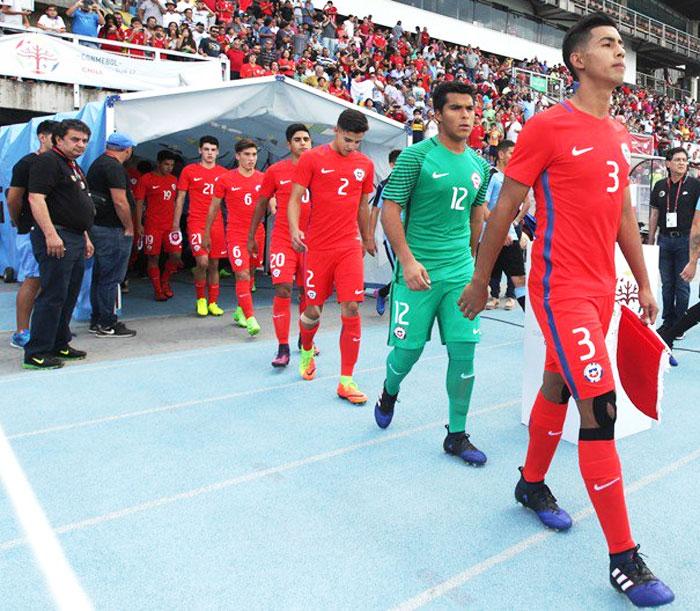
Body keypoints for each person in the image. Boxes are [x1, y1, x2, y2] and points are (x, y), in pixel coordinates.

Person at [457, 14, 674, 607]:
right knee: (597, 405)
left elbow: (624, 216)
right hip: (562, 293)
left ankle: (529, 485)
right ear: (577, 59)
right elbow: (504, 209)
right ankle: (624, 559)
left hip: (602, 290)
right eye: (608, 43)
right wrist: (481, 280)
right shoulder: (547, 126)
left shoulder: (619, 131)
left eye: (621, 44)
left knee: (558, 384)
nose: (620, 51)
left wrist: (642, 281)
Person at [372, 81, 489, 465]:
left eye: (470, 109)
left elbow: (476, 214)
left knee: (465, 354)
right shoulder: (416, 157)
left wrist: (474, 269)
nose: (466, 116)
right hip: (417, 273)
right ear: (437, 115)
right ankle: (389, 391)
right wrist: (406, 261)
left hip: (459, 273)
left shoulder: (480, 166)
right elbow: (391, 210)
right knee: (407, 353)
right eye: (456, 109)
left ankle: (456, 435)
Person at [288, 108, 376, 404]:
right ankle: (306, 348)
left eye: (358, 142)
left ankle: (346, 380)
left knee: (351, 307)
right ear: (336, 130)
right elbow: (294, 198)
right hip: (317, 248)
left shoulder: (364, 164)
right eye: (348, 140)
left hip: (348, 245)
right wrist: (293, 230)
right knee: (313, 311)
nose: (352, 146)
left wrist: (367, 237)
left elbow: (363, 205)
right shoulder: (312, 158)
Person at [24, 119, 95, 370]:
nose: (81, 145)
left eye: (85, 140)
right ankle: (36, 352)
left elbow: (77, 204)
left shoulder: (72, 165)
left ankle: (59, 343)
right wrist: (51, 234)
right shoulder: (47, 162)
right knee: (53, 295)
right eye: (75, 139)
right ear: (58, 139)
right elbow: (36, 199)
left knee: (68, 294)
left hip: (74, 236)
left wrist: (85, 236)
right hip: (57, 237)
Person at [247, 124, 313, 367]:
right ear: (289, 144)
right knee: (283, 288)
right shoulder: (276, 171)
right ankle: (282, 345)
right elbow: (261, 204)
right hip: (284, 240)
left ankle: (305, 339)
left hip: (312, 243)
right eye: (297, 139)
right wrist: (252, 234)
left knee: (309, 292)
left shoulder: (322, 170)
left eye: (306, 139)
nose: (303, 143)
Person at [6, 120, 59, 349]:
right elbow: (13, 199)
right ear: (42, 137)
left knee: (50, 281)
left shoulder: (60, 164)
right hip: (31, 231)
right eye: (54, 137)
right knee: (33, 279)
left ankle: (46, 330)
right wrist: (21, 222)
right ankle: (21, 331)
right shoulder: (26, 164)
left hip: (54, 231)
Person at [206, 139, 264, 336]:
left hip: (258, 233)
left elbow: (272, 204)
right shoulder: (225, 179)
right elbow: (214, 207)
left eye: (254, 155)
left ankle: (241, 310)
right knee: (241, 274)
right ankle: (250, 318)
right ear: (238, 156)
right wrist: (207, 234)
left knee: (251, 273)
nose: (251, 159)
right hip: (236, 234)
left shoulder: (263, 178)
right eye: (247, 155)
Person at [86, 133, 137, 338]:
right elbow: (120, 201)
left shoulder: (99, 163)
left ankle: (98, 319)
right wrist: (129, 226)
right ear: (127, 149)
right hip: (111, 229)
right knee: (111, 276)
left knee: (100, 275)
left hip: (99, 227)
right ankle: (107, 322)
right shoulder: (113, 167)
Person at [647, 147, 700, 337]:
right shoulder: (660, 186)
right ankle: (668, 322)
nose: (682, 163)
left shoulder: (695, 186)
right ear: (668, 163)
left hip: (685, 240)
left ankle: (678, 325)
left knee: (682, 284)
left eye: (684, 160)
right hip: (664, 240)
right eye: (677, 159)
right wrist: (651, 238)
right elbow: (654, 214)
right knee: (667, 284)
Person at [173, 136, 228, 317]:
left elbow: (231, 199)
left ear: (218, 152)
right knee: (202, 262)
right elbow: (180, 198)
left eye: (213, 150)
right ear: (199, 151)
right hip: (196, 221)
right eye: (206, 149)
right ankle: (201, 300)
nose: (210, 153)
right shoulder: (189, 170)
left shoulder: (224, 172)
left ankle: (213, 301)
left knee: (214, 264)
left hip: (217, 223)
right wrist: (175, 224)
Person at [482, 139, 528, 312]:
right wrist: (498, 232)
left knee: (519, 278)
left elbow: (522, 204)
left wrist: (516, 226)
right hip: (492, 237)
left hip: (509, 235)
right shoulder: (492, 176)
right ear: (501, 155)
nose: (515, 156)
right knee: (485, 279)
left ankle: (528, 317)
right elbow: (482, 207)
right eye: (511, 153)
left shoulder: (511, 178)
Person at [134, 150, 181, 301]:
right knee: (153, 257)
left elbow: (176, 202)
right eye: (166, 164)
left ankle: (165, 280)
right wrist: (139, 223)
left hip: (170, 226)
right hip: (152, 225)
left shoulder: (174, 180)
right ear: (158, 163)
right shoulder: (146, 179)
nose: (169, 168)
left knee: (176, 256)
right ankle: (158, 289)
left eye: (172, 165)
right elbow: (139, 203)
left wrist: (177, 222)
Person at [368, 148, 401, 316]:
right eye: (399, 163)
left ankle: (383, 292)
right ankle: (395, 308)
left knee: (405, 272)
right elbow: (374, 212)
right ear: (391, 165)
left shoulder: (412, 183)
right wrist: (370, 237)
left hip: (410, 236)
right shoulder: (384, 185)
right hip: (391, 238)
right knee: (400, 272)